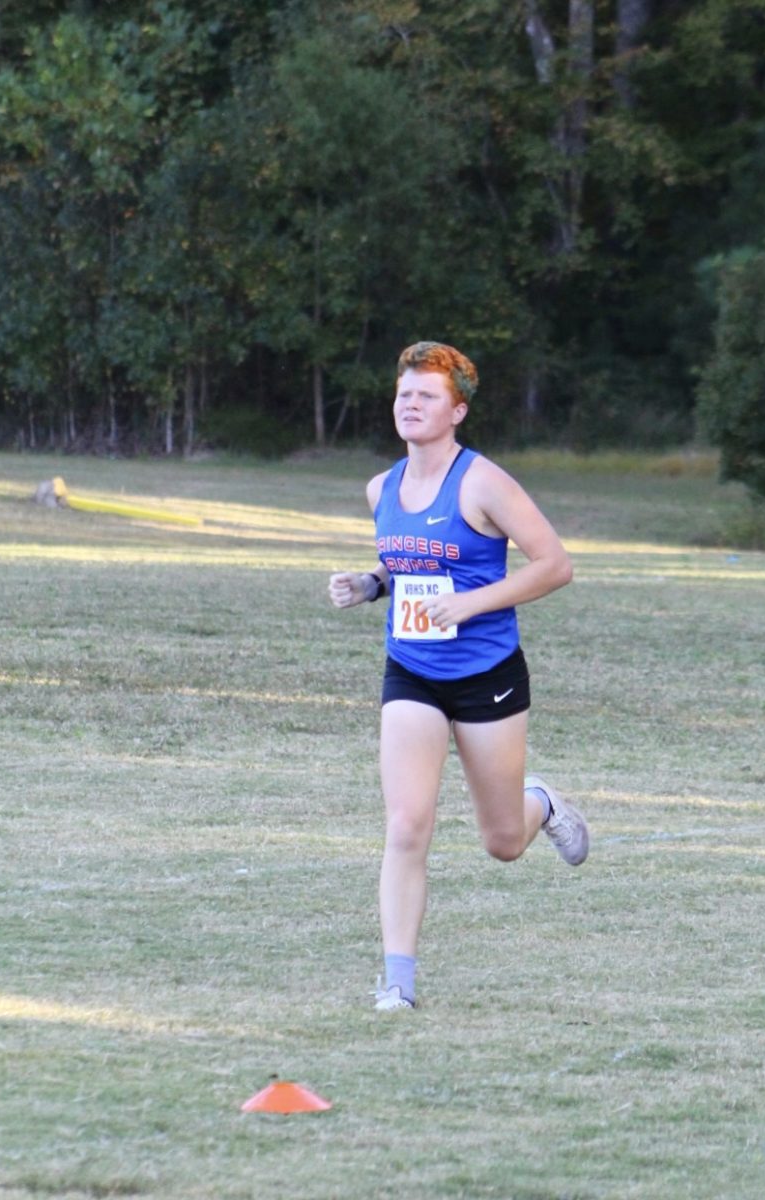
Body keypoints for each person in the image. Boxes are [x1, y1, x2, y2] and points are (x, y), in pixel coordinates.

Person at [329, 341, 589, 1012]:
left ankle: (544, 805)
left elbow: (554, 564)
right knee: (407, 824)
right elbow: (409, 566)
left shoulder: (483, 483)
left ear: (457, 411)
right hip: (411, 672)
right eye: (403, 394)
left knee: (503, 842)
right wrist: (371, 583)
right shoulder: (380, 488)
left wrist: (472, 603)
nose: (410, 405)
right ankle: (397, 983)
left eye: (426, 396)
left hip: (487, 676)